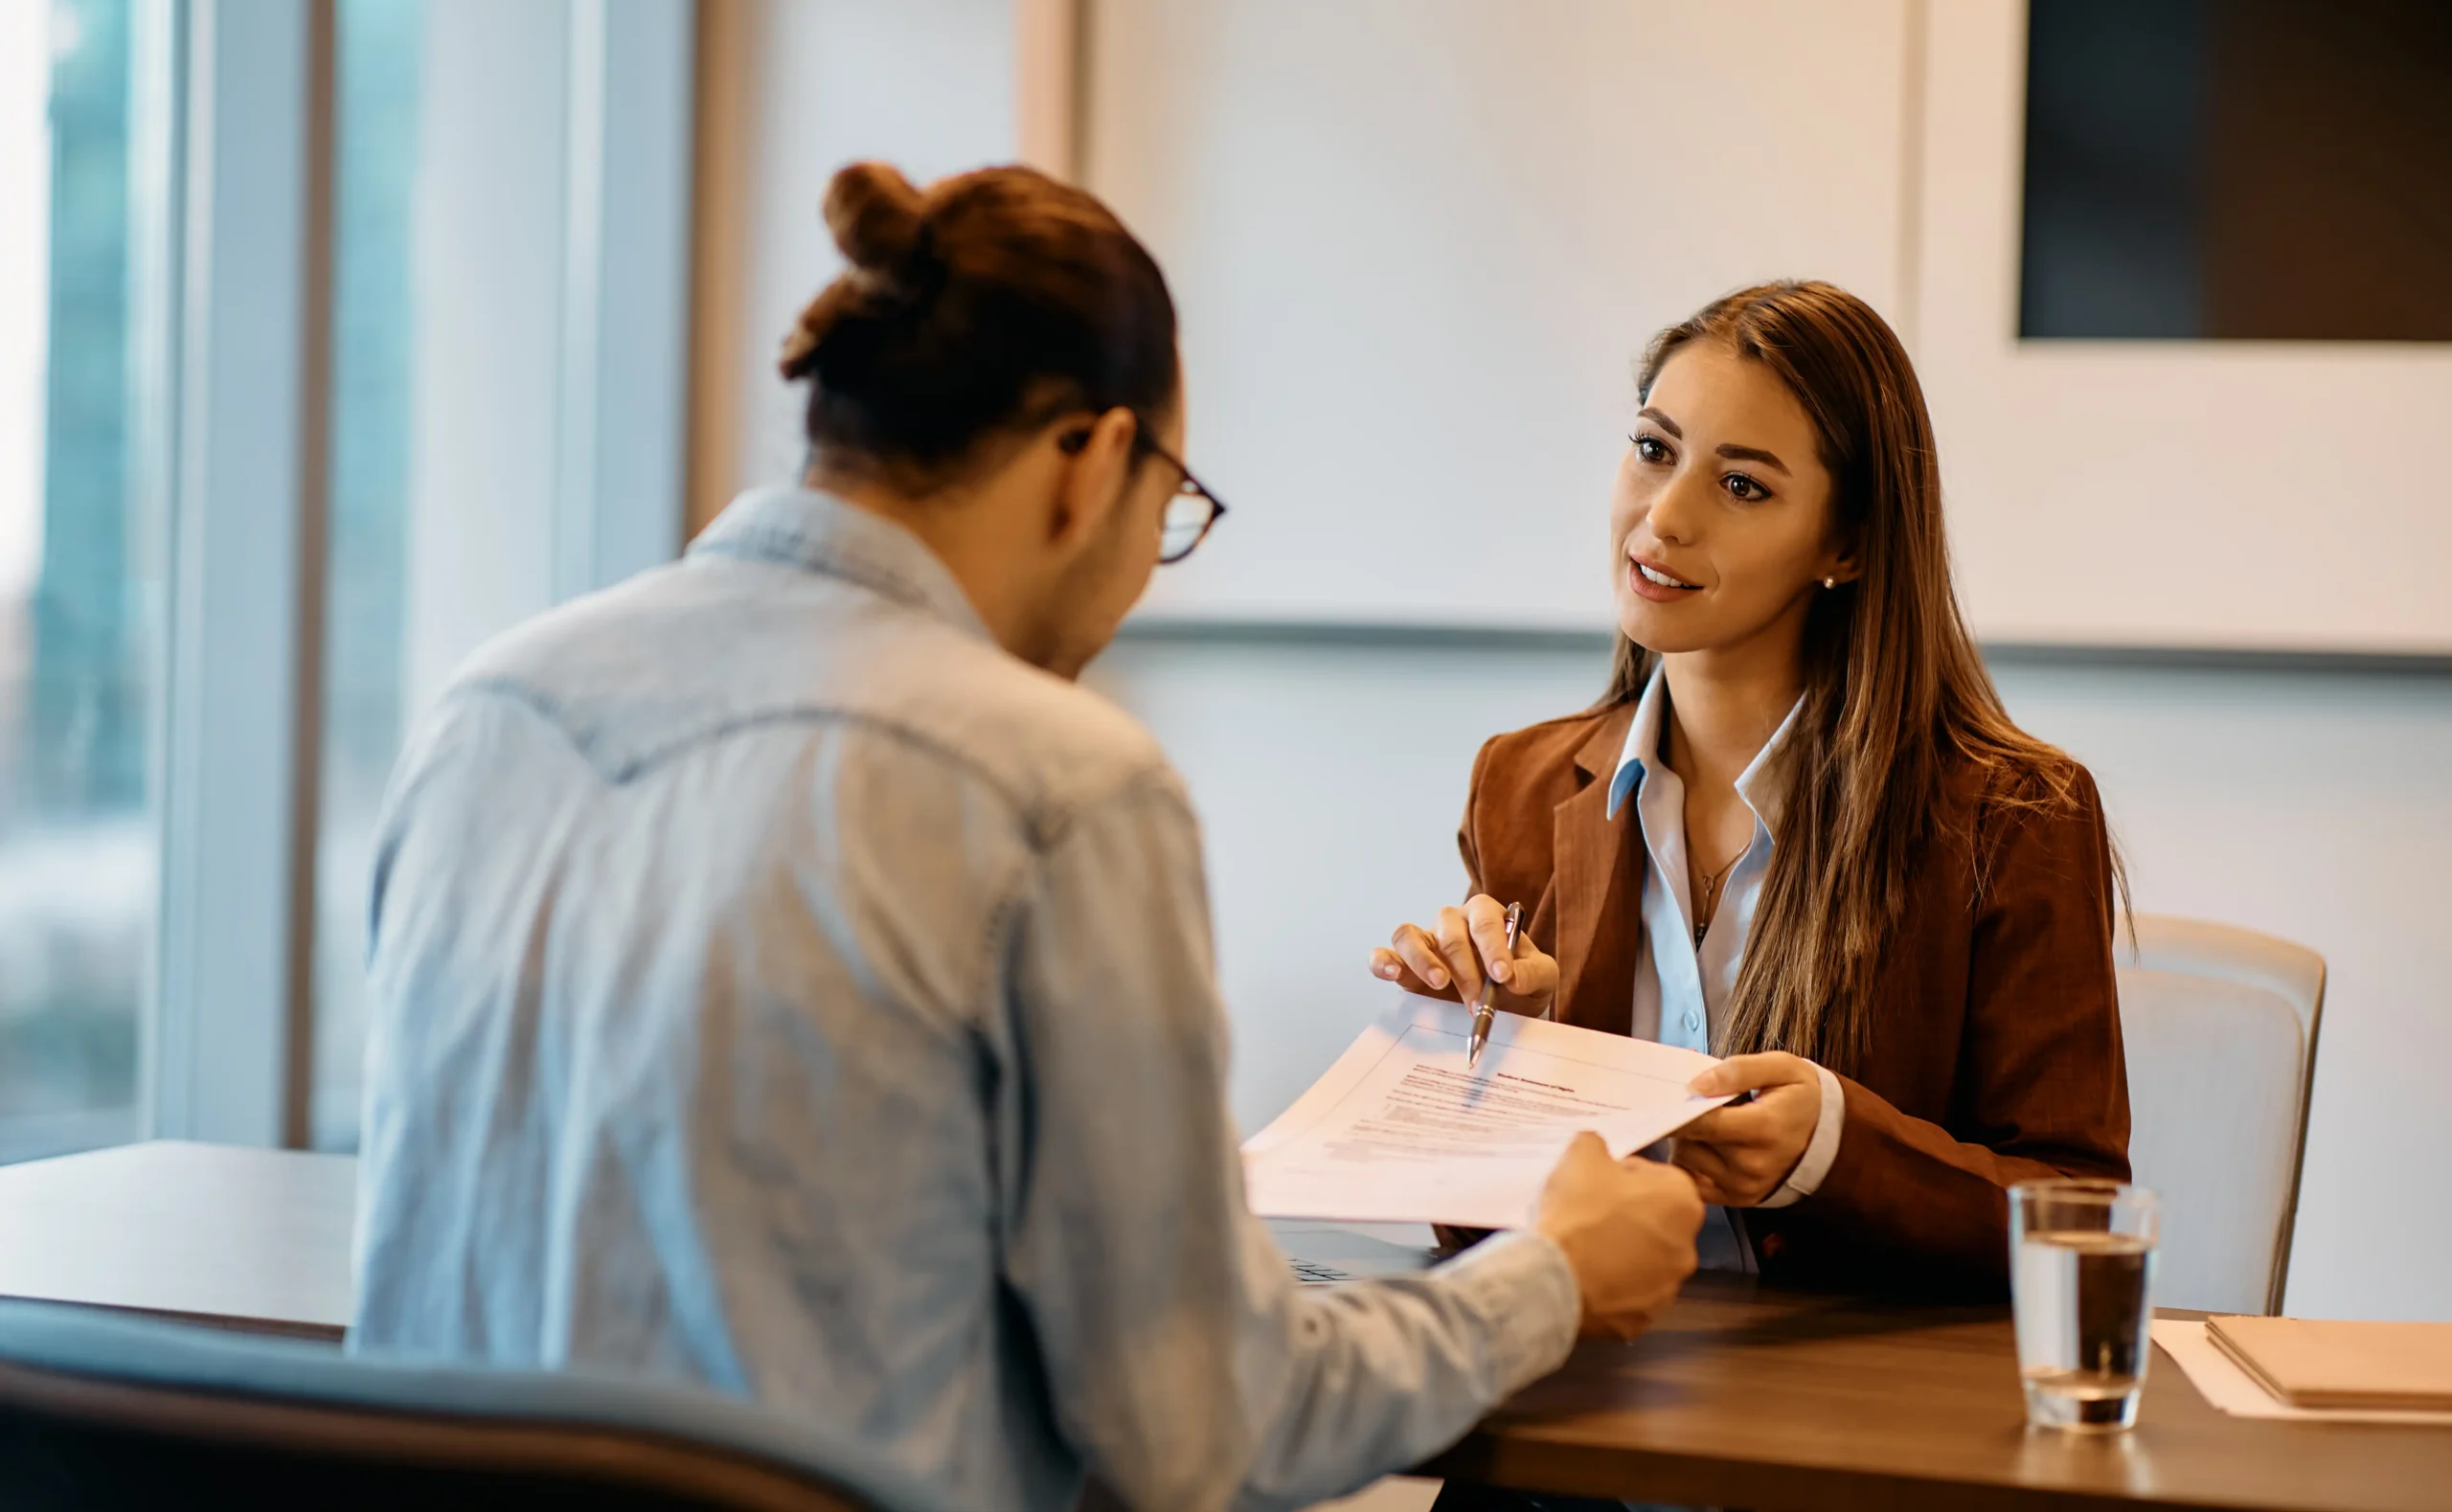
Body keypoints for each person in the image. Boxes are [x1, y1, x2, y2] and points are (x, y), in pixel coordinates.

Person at [349, 160, 1705, 1512]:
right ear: (1094, 459)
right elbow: (1205, 1427)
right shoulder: (1055, 785)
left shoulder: (491, 711)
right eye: (1169, 510)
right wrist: (1552, 1276)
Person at [1368, 281, 2129, 1297]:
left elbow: (2080, 1221)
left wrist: (1836, 1154)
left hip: (1844, 1390)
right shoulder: (1519, 783)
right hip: (1588, 1367)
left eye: (1741, 485)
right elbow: (1476, 1239)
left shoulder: (2011, 816)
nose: (1664, 516)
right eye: (1653, 449)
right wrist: (1501, 1057)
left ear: (1846, 544)